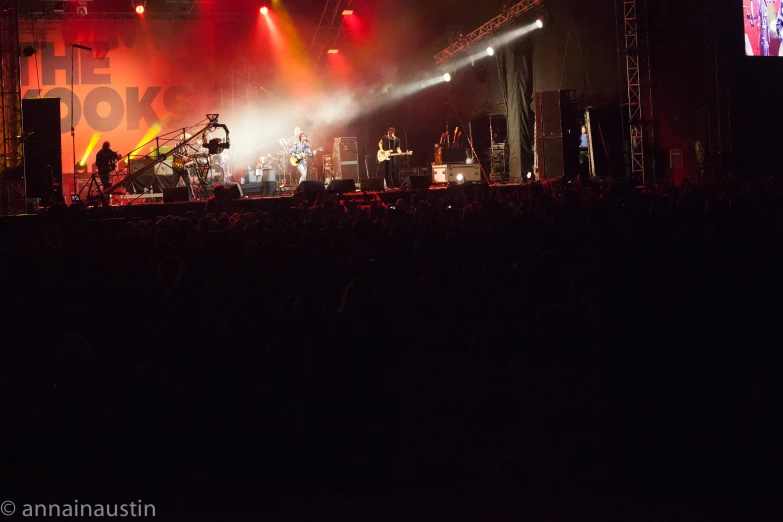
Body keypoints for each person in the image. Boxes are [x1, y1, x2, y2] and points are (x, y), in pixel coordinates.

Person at [173, 133, 196, 199]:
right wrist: (182, 156)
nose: (189, 141)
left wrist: (190, 159)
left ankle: (192, 196)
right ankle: (172, 196)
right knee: (175, 184)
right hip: (176, 167)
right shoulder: (176, 144)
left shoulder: (187, 147)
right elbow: (173, 153)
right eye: (188, 139)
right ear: (184, 139)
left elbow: (186, 158)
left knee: (188, 182)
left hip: (184, 167)